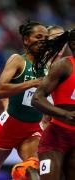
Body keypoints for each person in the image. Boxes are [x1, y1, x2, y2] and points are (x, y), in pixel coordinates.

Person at [0, 21, 48, 180]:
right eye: (38, 36)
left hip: (32, 129)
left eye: (46, 38)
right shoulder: (18, 60)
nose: (43, 40)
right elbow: (0, 91)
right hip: (8, 127)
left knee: (33, 167)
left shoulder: (48, 67)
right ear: (27, 40)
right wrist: (32, 83)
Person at [31, 29, 75, 180]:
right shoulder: (64, 66)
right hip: (56, 138)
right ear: (73, 45)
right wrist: (64, 113)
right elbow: (37, 99)